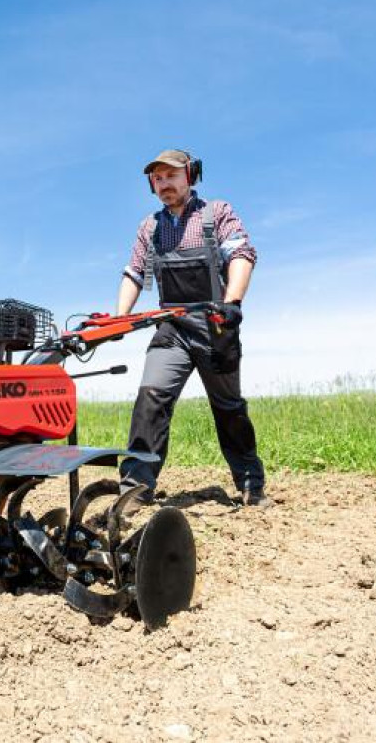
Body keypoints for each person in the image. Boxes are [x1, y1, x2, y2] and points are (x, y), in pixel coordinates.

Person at [116, 148, 270, 507]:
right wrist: (121, 316)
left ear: (190, 175)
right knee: (151, 398)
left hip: (214, 325)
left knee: (228, 406)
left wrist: (232, 302)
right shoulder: (150, 227)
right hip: (171, 327)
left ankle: (251, 482)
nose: (163, 183)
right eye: (157, 178)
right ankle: (135, 489)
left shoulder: (215, 214)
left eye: (171, 175)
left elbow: (241, 254)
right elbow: (134, 273)